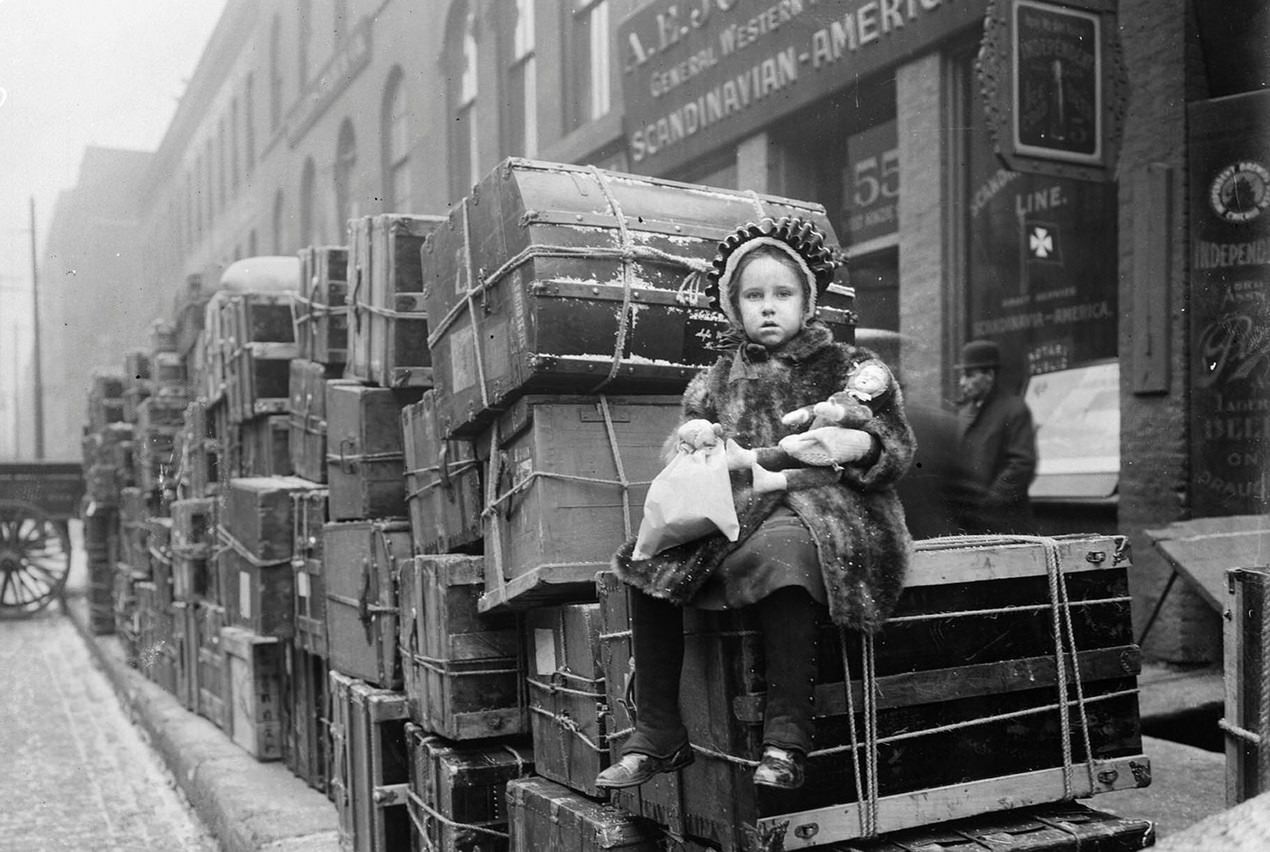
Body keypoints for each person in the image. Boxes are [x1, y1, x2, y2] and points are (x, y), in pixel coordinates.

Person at [594, 216, 916, 792]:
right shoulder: (716, 379)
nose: (769, 307)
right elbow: (688, 444)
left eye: (783, 294)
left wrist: (857, 442)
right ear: (734, 307)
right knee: (647, 563)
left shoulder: (847, 367)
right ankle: (659, 731)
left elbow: (894, 443)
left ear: (807, 302)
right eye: (754, 296)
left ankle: (787, 734)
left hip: (832, 504)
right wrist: (696, 440)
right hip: (744, 505)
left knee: (785, 552)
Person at [955, 339, 1038, 534]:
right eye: (962, 375)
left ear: (989, 375)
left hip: (1005, 523)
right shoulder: (965, 412)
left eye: (969, 375)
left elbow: (1021, 464)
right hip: (972, 524)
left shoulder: (1014, 410)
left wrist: (987, 502)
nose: (962, 382)